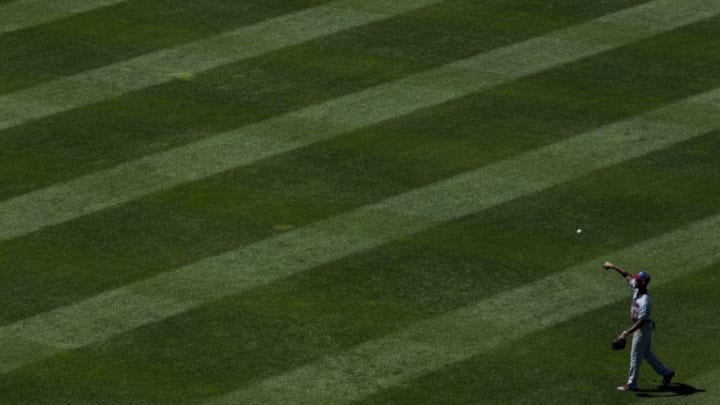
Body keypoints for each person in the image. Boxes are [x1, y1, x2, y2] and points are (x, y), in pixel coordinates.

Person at [603, 261, 675, 391]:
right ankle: (666, 373)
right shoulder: (637, 287)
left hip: (642, 329)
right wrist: (612, 266)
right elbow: (626, 275)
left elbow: (641, 322)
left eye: (637, 279)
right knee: (646, 353)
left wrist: (625, 332)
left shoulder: (645, 301)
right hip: (641, 327)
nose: (634, 280)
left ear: (643, 283)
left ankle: (632, 384)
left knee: (635, 356)